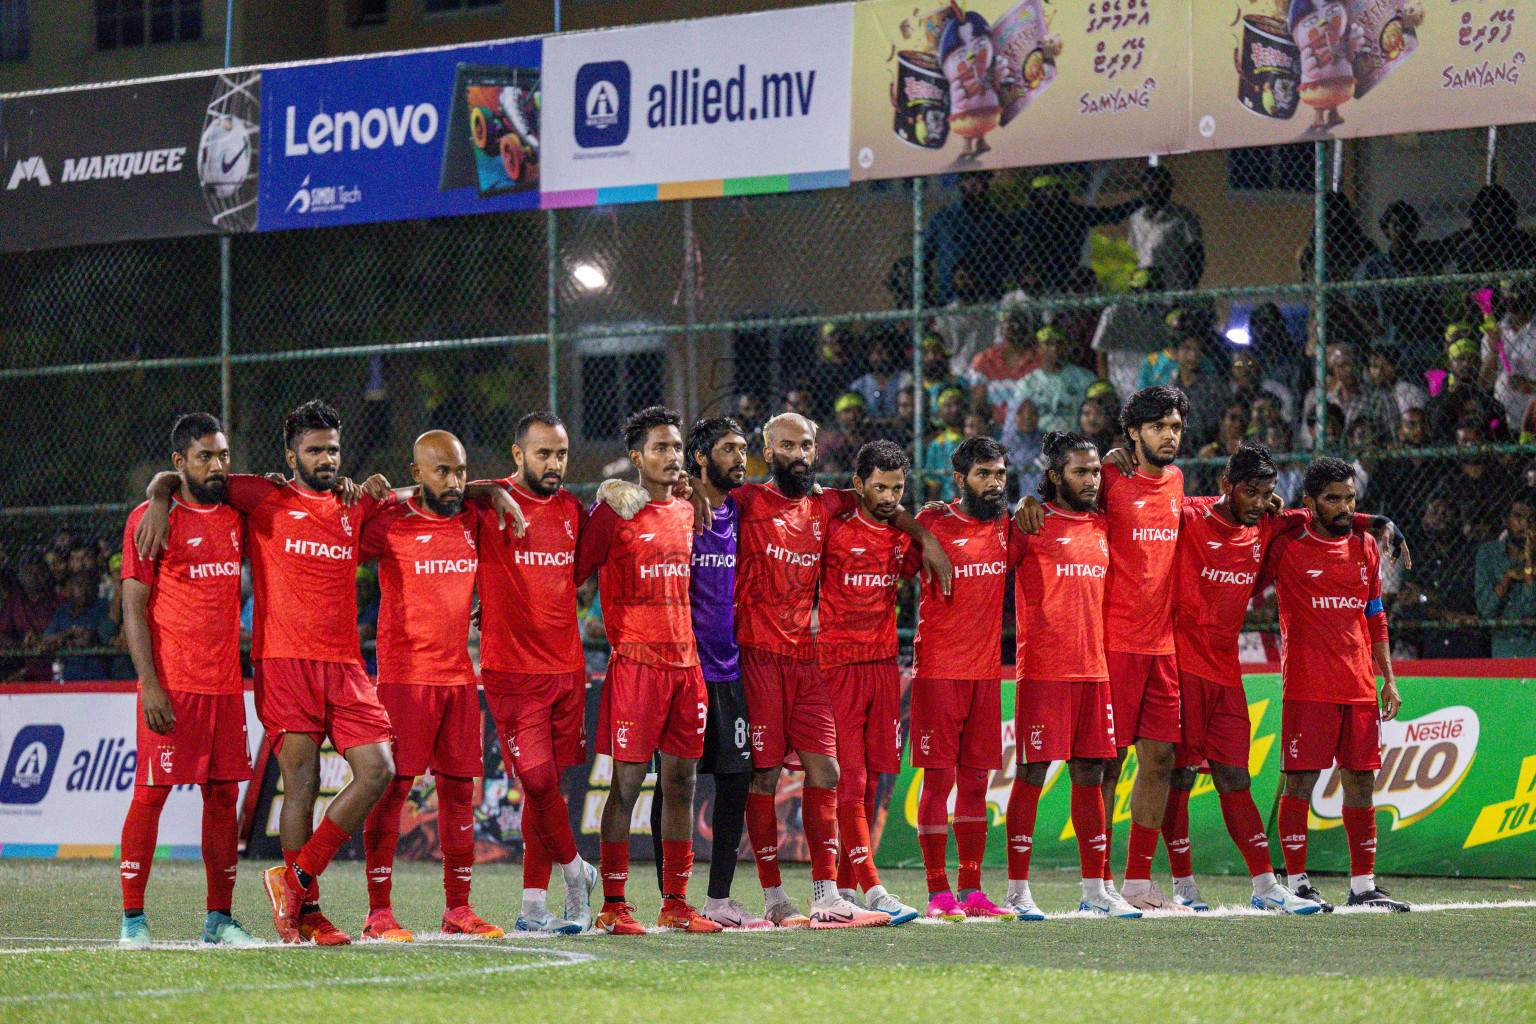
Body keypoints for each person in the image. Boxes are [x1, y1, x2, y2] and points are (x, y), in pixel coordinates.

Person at [137, 400, 398, 946]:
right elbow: (190, 474)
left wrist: (383, 491)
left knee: (378, 770)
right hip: (283, 662)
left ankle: (294, 881)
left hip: (346, 665)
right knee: (299, 785)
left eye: (333, 448)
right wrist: (159, 495)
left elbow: (419, 508)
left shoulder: (355, 505)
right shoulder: (261, 497)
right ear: (290, 454)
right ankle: (307, 916)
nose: (326, 458)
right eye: (314, 449)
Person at [1150, 442, 1392, 915]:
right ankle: (1184, 883)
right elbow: (1136, 509)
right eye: (1251, 491)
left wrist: (1376, 522)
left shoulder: (1275, 528)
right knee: (1178, 774)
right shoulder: (1201, 518)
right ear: (1227, 486)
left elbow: (1327, 526)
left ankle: (1272, 886)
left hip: (1227, 670)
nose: (1260, 500)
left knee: (1234, 776)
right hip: (1185, 663)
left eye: (1266, 492)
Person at [731, 412, 949, 928]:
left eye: (807, 444)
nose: (800, 454)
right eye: (787, 445)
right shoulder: (747, 503)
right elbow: (703, 498)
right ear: (768, 449)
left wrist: (926, 532)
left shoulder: (829, 504)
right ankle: (774, 898)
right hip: (763, 658)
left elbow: (885, 507)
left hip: (811, 663)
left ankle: (830, 894)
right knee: (763, 777)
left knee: (830, 773)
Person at [116, 413, 259, 949]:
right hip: (172, 687)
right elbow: (133, 606)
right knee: (150, 795)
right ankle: (133, 919)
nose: (218, 465)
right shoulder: (149, 520)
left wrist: (162, 487)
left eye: (223, 455)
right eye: (206, 456)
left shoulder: (235, 515)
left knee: (223, 799)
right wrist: (148, 683)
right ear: (180, 462)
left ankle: (217, 920)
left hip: (224, 688)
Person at [574, 406, 719, 935]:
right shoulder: (615, 513)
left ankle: (675, 902)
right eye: (660, 447)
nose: (671, 456)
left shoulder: (686, 506)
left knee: (681, 783)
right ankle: (614, 904)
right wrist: (602, 495)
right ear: (636, 457)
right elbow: (572, 570)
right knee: (627, 786)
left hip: (688, 666)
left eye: (677, 447)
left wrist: (697, 489)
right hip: (637, 666)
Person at [357, 431, 503, 942]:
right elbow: (342, 546)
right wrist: (384, 495)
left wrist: (491, 490)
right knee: (392, 793)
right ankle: (378, 913)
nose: (455, 480)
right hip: (403, 680)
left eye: (461, 470)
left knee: (460, 794)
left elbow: (496, 493)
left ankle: (458, 909)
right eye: (442, 471)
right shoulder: (391, 522)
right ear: (416, 473)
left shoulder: (472, 519)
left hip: (460, 678)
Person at [1264, 457, 1410, 912]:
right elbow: (1265, 518)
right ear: (1309, 502)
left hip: (1361, 686)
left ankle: (1363, 885)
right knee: (1300, 782)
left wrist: (1388, 678)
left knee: (1362, 783)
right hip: (1308, 686)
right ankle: (1298, 881)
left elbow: (1374, 615)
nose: (1345, 507)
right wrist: (1380, 519)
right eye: (1333, 499)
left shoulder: (1366, 546)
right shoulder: (1287, 545)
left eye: (1351, 498)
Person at [1006, 432, 1140, 917]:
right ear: (1054, 475)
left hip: (1095, 669)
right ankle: (1017, 890)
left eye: (1093, 472)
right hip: (1043, 670)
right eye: (1079, 472)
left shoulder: (1104, 523)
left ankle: (1093, 891)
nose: (1089, 481)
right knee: (1032, 771)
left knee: (1092, 771)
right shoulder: (1030, 522)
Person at [475, 411, 599, 935]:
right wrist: (490, 490)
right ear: (517, 454)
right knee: (539, 780)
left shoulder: (572, 508)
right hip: (511, 672)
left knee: (548, 794)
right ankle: (577, 873)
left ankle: (531, 908)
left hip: (568, 670)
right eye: (543, 453)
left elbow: (602, 554)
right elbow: (439, 489)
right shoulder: (487, 503)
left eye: (561, 454)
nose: (554, 464)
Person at [645, 418, 770, 929]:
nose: (740, 457)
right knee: (675, 781)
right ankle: (670, 896)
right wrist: (687, 489)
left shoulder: (741, 507)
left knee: (737, 780)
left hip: (730, 666)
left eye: (743, 448)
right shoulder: (677, 508)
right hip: (682, 665)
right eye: (727, 450)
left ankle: (719, 899)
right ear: (699, 458)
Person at [909, 437, 1020, 921]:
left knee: (976, 783)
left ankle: (973, 891)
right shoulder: (933, 523)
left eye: (1000, 474)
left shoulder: (1009, 528)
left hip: (986, 674)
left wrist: (1032, 501)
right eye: (983, 475)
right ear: (959, 480)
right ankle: (938, 892)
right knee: (938, 782)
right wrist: (916, 525)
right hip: (938, 672)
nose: (994, 484)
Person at [817, 441, 923, 925]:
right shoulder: (832, 531)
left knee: (878, 777)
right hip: (838, 667)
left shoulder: (902, 538)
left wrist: (926, 529)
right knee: (852, 779)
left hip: (884, 667)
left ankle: (840, 890)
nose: (887, 496)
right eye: (879, 486)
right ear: (858, 484)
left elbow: (924, 555)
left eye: (897, 487)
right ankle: (874, 888)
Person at [1352, 201, 1458, 370]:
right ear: (1386, 229)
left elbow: (1453, 242)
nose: (1401, 229)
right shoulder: (1374, 265)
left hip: (1425, 342)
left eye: (1407, 223)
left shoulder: (1428, 257)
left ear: (1415, 228)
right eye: (1395, 224)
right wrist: (1373, 326)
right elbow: (1355, 300)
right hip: (1389, 344)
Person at [1014, 175, 1140, 292]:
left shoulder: (1073, 213)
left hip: (1065, 272)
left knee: (1082, 277)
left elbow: (1112, 214)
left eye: (1055, 189)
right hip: (1033, 274)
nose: (1051, 194)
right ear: (1036, 194)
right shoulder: (1027, 216)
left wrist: (1142, 200)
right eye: (1046, 190)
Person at [925, 170, 1014, 306]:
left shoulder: (998, 219)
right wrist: (926, 298)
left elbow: (1009, 260)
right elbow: (924, 259)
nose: (975, 184)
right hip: (949, 301)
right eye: (969, 178)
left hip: (988, 300)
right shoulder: (943, 217)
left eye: (980, 178)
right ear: (960, 182)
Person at [1300, 341, 1400, 448]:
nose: (1349, 370)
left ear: (1360, 365)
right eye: (1342, 366)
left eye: (1353, 364)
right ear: (1334, 370)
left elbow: (1393, 437)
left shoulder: (1379, 397)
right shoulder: (1327, 398)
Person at [1092, 267, 1169, 401]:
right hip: (1121, 380)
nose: (1145, 295)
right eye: (1140, 291)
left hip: (1152, 378)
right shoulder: (1116, 312)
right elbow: (1101, 352)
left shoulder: (1163, 315)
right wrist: (1105, 385)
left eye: (1151, 290)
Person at [1475, 492, 1536, 658]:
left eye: (1531, 519)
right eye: (1519, 516)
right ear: (1506, 520)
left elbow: (1530, 612)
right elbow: (1486, 610)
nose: (1524, 524)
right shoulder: (1489, 554)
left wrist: (1530, 561)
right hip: (1502, 647)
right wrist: (1507, 578)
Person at [1128, 165, 1204, 290]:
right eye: (1150, 184)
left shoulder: (1183, 217)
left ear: (1169, 187)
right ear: (1142, 187)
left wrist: (1188, 286)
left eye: (1161, 185)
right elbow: (1133, 254)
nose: (1156, 189)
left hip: (1173, 285)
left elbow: (1196, 254)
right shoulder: (1136, 218)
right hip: (1143, 287)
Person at [1012, 326, 1097, 434]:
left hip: (1075, 440)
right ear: (1038, 348)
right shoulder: (1027, 383)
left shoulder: (1084, 378)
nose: (1054, 348)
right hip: (1038, 443)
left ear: (1066, 346)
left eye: (1059, 343)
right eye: (1048, 344)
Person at [1429, 329, 1508, 442]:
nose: (1466, 364)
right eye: (1460, 359)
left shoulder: (1489, 401)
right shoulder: (1438, 401)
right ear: (1450, 364)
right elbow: (1436, 428)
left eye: (1472, 359)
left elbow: (1499, 432)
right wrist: (1460, 391)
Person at [1481, 280, 1536, 437]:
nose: (1516, 296)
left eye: (1521, 291)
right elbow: (1484, 382)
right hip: (1502, 421)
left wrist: (1529, 386)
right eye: (1510, 292)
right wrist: (1492, 351)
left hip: (1533, 420)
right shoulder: (1495, 331)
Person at [968, 306, 1040, 418]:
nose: (1011, 328)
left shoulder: (1037, 358)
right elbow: (977, 404)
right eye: (1007, 324)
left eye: (1016, 324)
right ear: (1001, 328)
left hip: (1030, 423)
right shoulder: (985, 360)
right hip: (995, 425)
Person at [40, 570, 111, 681]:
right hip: (69, 678)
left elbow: (91, 638)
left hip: (98, 678)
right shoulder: (63, 611)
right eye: (79, 584)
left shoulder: (103, 607)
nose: (83, 589)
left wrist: (65, 641)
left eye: (88, 584)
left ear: (95, 587)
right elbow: (46, 640)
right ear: (71, 588)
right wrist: (69, 633)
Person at [1455, 184, 1536, 276]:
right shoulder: (1470, 249)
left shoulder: (1525, 243)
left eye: (1496, 207)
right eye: (1485, 206)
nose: (1489, 212)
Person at [1, 553, 58, 681]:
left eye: (38, 571)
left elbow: (64, 629)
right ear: (20, 576)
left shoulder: (57, 600)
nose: (33, 576)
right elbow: (2, 633)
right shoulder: (15, 600)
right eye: (28, 571)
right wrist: (20, 645)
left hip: (51, 659)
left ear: (46, 574)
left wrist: (43, 640)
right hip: (22, 660)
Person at [848, 334, 914, 423]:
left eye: (884, 351)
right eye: (874, 352)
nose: (879, 356)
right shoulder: (860, 384)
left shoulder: (906, 379)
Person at [819, 392, 875, 476]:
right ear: (838, 415)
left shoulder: (873, 436)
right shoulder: (832, 440)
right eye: (847, 411)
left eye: (857, 411)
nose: (852, 416)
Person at [1366, 346, 1428, 419]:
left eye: (1385, 366)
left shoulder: (1410, 392)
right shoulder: (1370, 392)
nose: (1379, 372)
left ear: (1396, 367)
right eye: (1375, 366)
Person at [1002, 398, 1044, 499]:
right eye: (1020, 412)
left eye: (1032, 413)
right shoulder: (1003, 447)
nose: (1027, 417)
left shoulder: (1046, 441)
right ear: (1012, 415)